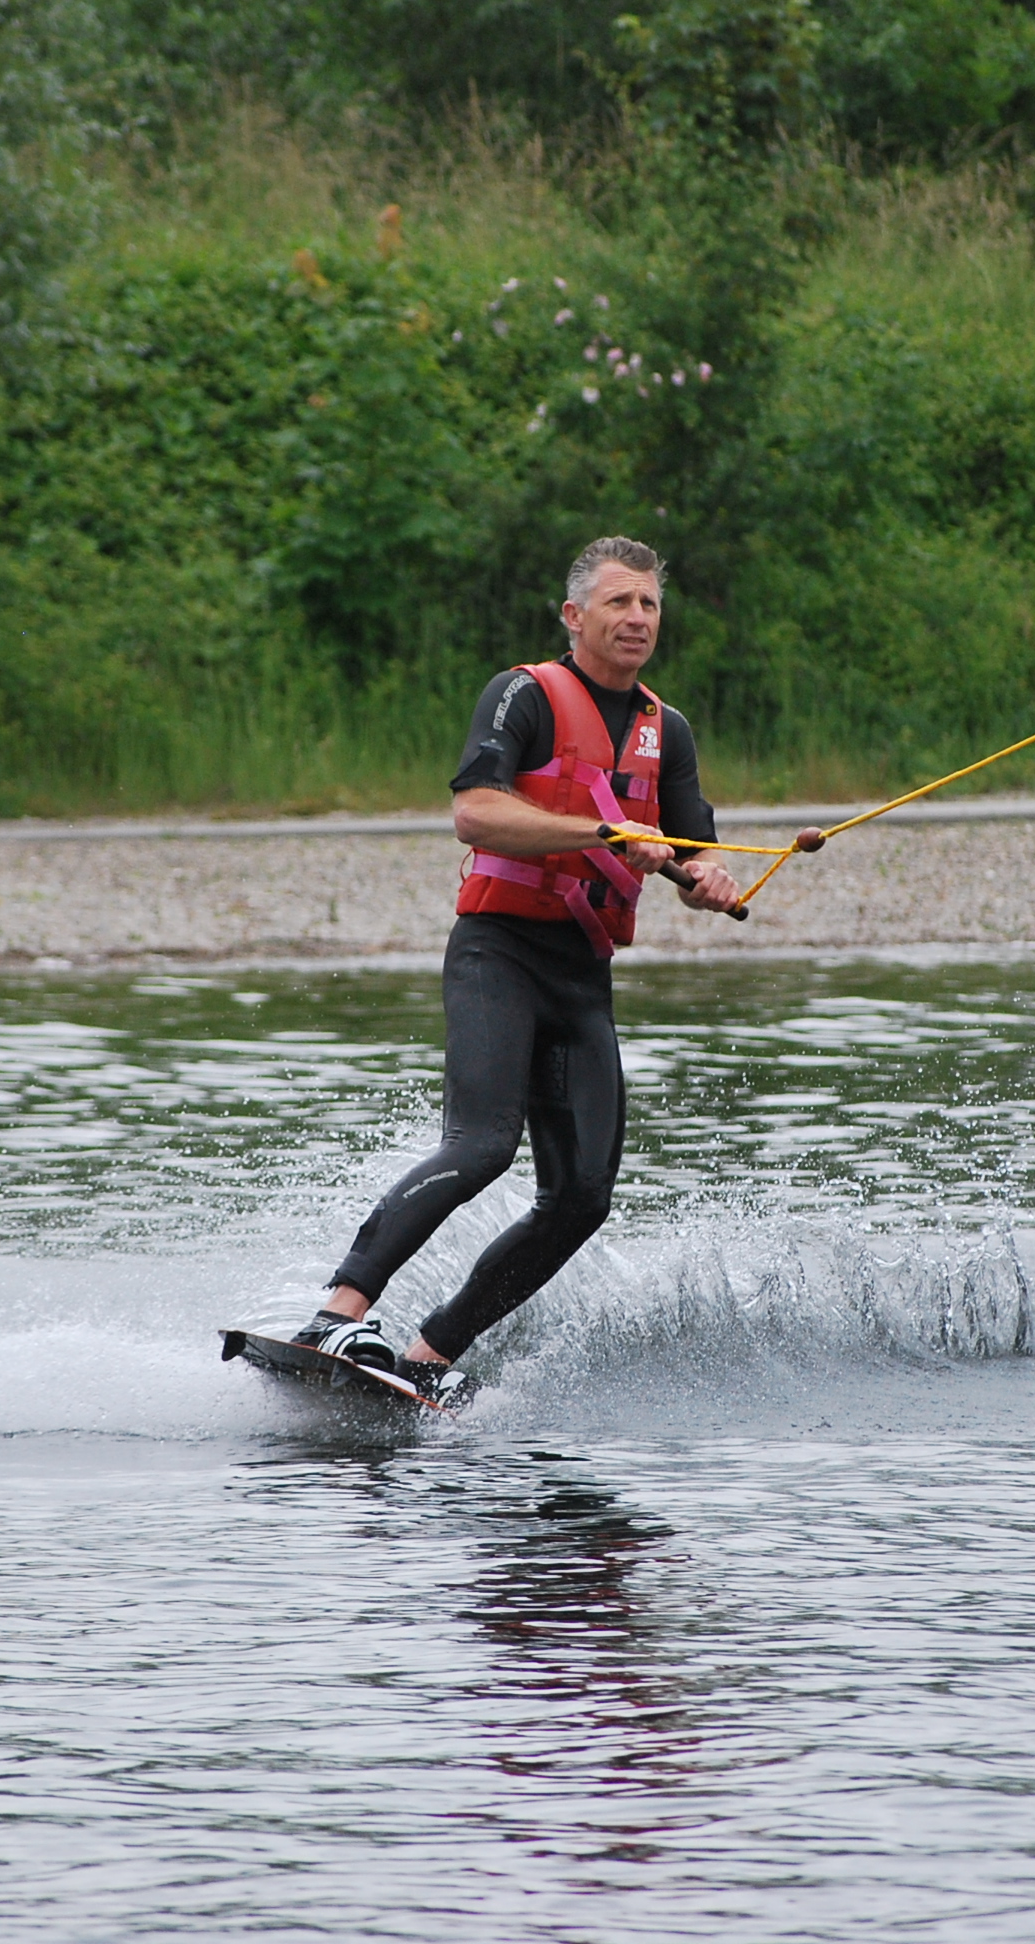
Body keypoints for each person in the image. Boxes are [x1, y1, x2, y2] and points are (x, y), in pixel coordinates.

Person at [290, 536, 744, 1401]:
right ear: (575, 615)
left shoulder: (669, 731)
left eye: (649, 604)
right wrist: (603, 832)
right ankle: (335, 1314)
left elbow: (693, 857)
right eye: (619, 602)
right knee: (482, 1146)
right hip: (497, 953)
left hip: (581, 976)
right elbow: (475, 814)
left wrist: (710, 880)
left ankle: (428, 1359)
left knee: (581, 1199)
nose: (637, 618)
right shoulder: (524, 695)